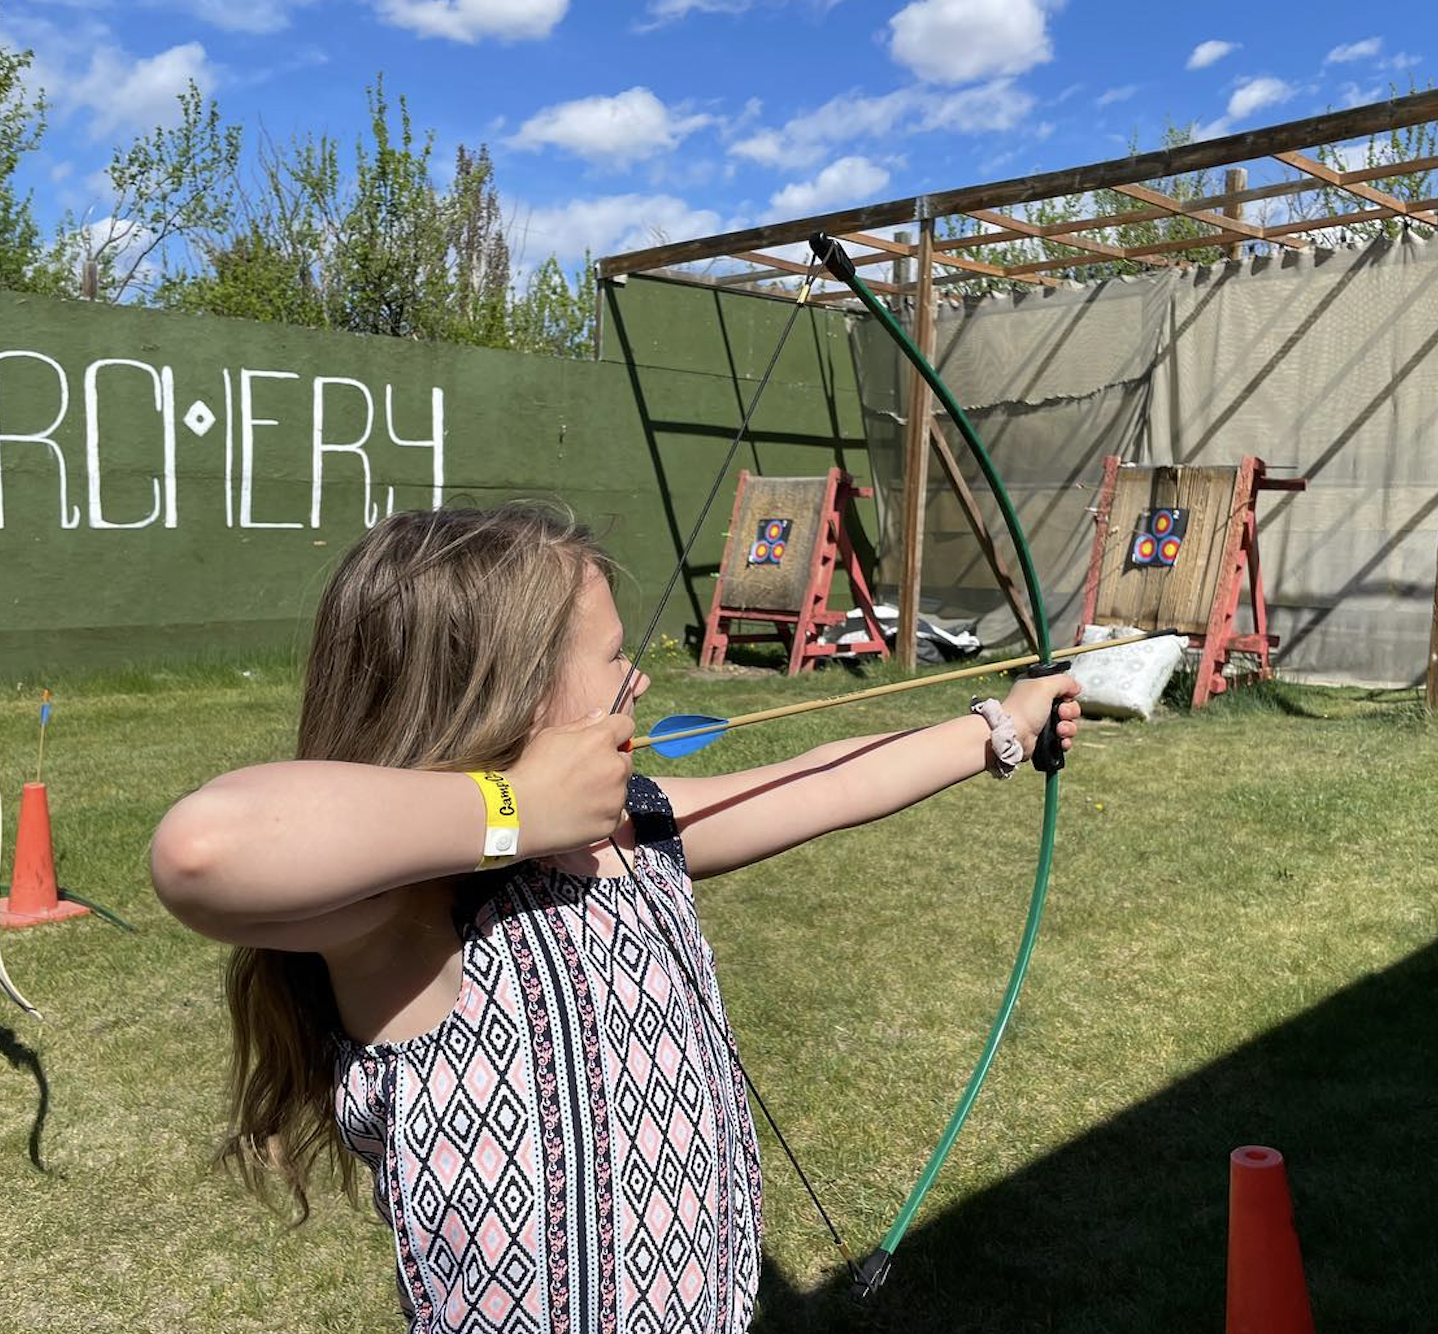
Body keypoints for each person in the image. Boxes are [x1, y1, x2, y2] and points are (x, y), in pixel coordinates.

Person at [150, 504, 1081, 1334]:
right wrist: (516, 809)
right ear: (501, 689)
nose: (638, 685)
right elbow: (204, 848)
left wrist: (1001, 725)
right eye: (612, 662)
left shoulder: (636, 828)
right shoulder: (410, 910)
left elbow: (829, 783)